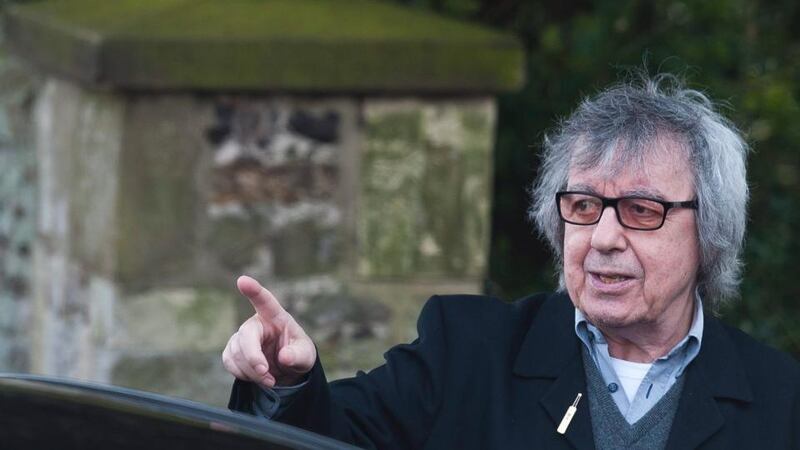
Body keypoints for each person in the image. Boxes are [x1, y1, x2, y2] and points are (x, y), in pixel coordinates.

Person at [222, 73, 800, 449]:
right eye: (583, 204)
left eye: (641, 210)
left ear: (711, 230)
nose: (601, 237)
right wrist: (288, 381)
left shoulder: (782, 400)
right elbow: (331, 437)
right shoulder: (465, 351)